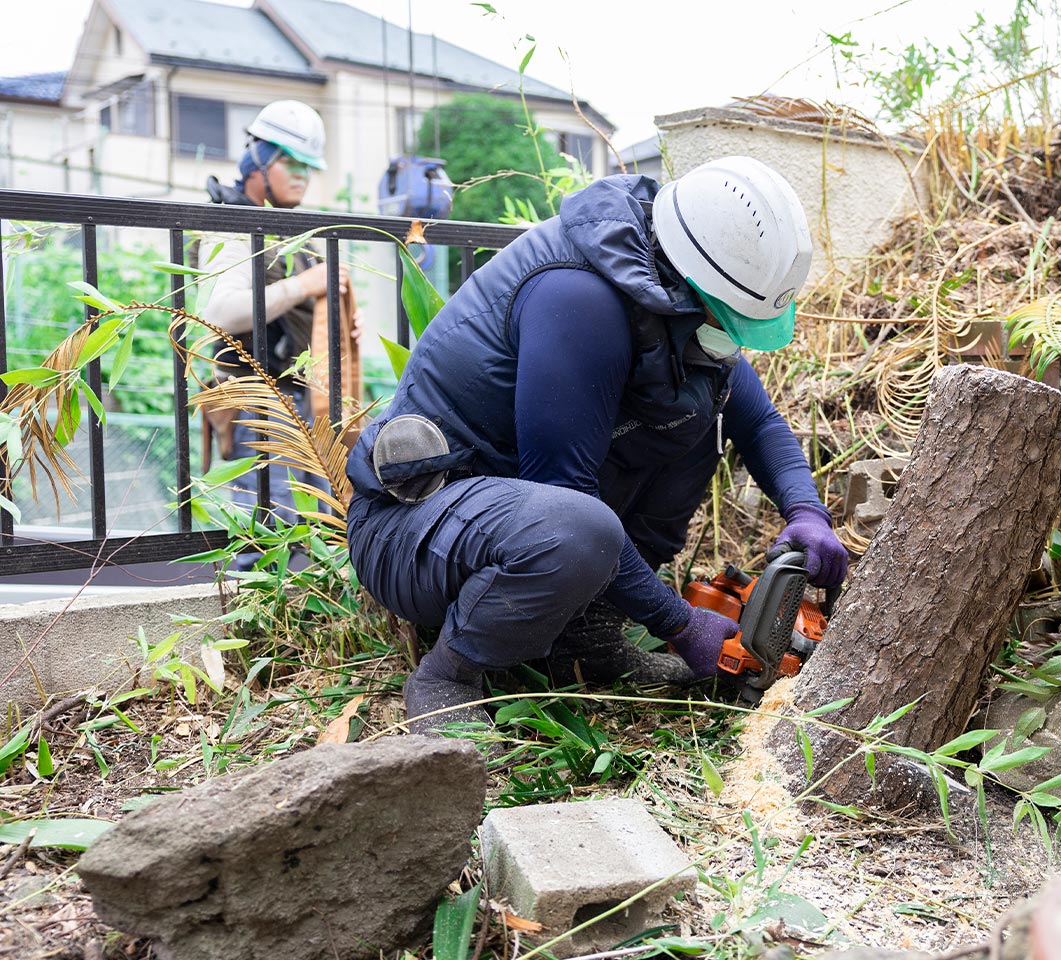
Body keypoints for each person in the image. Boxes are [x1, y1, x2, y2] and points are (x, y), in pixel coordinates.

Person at [345, 156, 849, 734]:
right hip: (414, 534)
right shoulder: (578, 299)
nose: (733, 335)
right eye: (728, 316)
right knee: (579, 528)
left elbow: (757, 423)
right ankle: (449, 676)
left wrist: (807, 513)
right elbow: (567, 497)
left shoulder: (667, 301)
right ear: (690, 279)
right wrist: (680, 624)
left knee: (699, 418)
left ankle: (587, 637)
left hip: (516, 521)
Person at [198, 100, 351, 565]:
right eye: (290, 161)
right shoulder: (233, 223)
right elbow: (218, 311)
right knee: (269, 535)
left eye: (308, 166)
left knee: (321, 524)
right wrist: (302, 285)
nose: (302, 175)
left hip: (300, 399)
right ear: (257, 159)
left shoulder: (285, 229)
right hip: (258, 402)